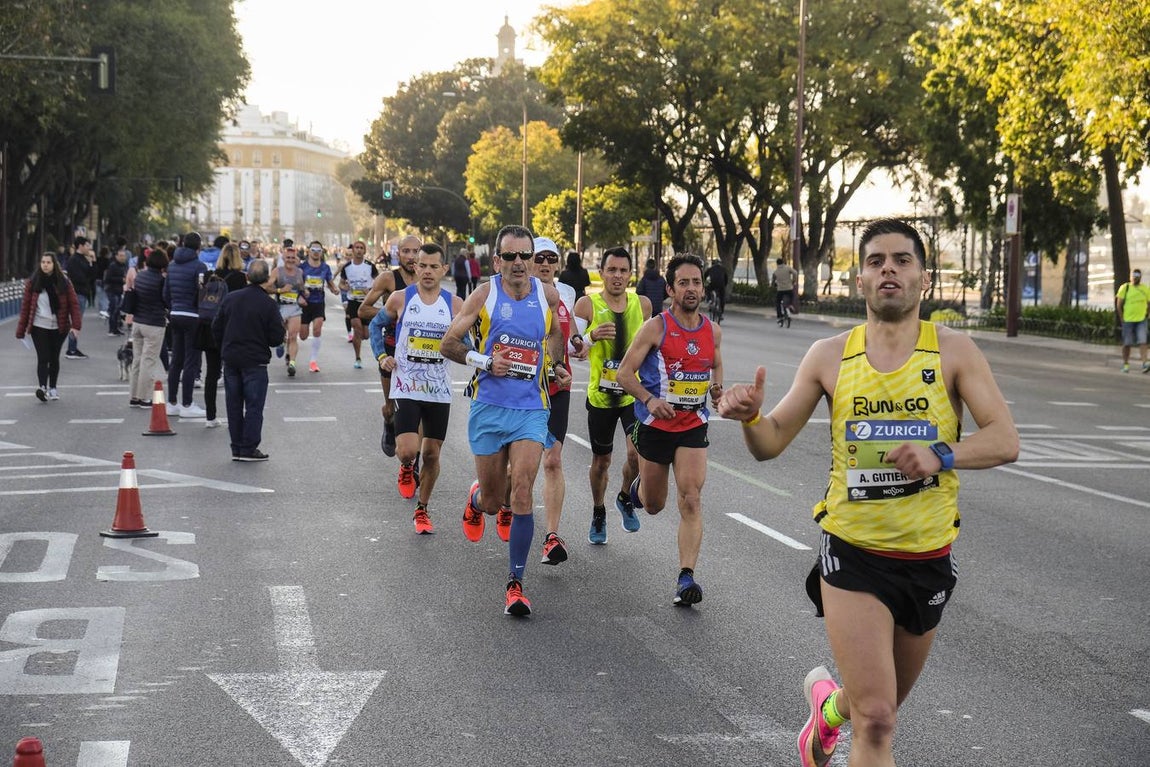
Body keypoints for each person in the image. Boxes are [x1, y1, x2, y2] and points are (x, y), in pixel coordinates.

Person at [717, 218, 1019, 767]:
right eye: (877, 260)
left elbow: (1004, 440)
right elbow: (771, 442)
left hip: (928, 557)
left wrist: (940, 453)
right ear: (859, 279)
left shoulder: (953, 352)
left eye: (902, 260)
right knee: (878, 720)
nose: (889, 270)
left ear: (923, 278)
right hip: (854, 553)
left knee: (870, 710)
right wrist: (752, 416)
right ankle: (844, 714)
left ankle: (827, 713)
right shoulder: (829, 355)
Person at [441, 224, 570, 617]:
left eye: (525, 256)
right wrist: (484, 361)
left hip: (531, 407)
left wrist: (553, 365)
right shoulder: (485, 294)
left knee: (523, 490)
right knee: (496, 501)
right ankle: (477, 498)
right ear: (496, 260)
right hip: (488, 408)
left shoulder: (546, 294)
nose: (519, 263)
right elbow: (449, 343)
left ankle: (515, 584)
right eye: (510, 256)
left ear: (533, 259)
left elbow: (554, 337)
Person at [617, 254, 723, 607]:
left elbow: (716, 363)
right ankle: (635, 490)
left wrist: (718, 388)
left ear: (703, 288)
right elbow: (624, 374)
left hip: (692, 424)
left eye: (696, 282)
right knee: (654, 505)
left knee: (691, 497)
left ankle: (686, 576)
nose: (691, 289)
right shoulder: (656, 328)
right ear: (670, 289)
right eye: (684, 283)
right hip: (655, 424)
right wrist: (648, 400)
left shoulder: (712, 330)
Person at [372, 243, 463, 533]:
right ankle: (406, 465)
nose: (426, 271)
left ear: (443, 270)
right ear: (415, 266)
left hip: (438, 389)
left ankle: (422, 509)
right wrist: (382, 356)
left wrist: (472, 354)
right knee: (408, 451)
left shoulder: (455, 304)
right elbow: (376, 326)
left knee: (433, 455)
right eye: (422, 265)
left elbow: (470, 341)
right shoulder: (400, 298)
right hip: (406, 385)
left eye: (433, 266)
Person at [573, 246, 651, 544]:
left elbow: (651, 347)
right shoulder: (587, 305)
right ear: (602, 272)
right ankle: (598, 510)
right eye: (612, 270)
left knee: (636, 454)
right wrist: (590, 338)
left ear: (631, 274)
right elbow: (571, 348)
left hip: (632, 394)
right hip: (601, 398)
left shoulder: (642, 305)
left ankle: (623, 496)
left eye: (623, 270)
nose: (617, 276)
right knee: (601, 462)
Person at [527, 236, 584, 564]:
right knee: (521, 467)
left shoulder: (565, 293)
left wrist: (579, 341)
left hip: (558, 386)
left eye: (551, 259)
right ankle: (483, 496)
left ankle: (551, 536)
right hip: (523, 390)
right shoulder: (516, 291)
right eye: (540, 258)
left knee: (552, 460)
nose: (546, 264)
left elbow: (571, 330)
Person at [212, 259, 286, 462]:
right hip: (255, 361)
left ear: (247, 276)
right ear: (267, 279)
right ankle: (249, 447)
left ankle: (236, 446)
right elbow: (276, 338)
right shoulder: (268, 304)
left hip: (231, 358)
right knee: (254, 406)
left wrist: (224, 347)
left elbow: (216, 327)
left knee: (233, 404)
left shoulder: (231, 298)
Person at [358, 235, 421, 457]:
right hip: (391, 350)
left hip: (419, 353)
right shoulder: (388, 279)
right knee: (391, 404)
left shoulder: (428, 278)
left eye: (416, 252)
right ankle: (388, 420)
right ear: (398, 253)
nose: (411, 257)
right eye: (406, 251)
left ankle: (412, 462)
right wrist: (394, 315)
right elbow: (363, 310)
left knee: (417, 409)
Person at [15, 252, 82, 401]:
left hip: (59, 326)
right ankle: (42, 387)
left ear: (54, 265)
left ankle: (53, 387)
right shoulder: (33, 282)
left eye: (48, 262)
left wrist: (76, 325)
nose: (45, 265)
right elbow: (26, 307)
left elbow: (74, 304)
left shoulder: (64, 282)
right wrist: (21, 330)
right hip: (39, 326)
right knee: (43, 357)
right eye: (43, 262)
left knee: (54, 357)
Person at [200, 243, 248, 427]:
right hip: (231, 329)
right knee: (234, 373)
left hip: (209, 327)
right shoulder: (240, 278)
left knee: (211, 373)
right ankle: (235, 417)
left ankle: (210, 417)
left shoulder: (210, 275)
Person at [164, 231, 209, 418]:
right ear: (198, 248)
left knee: (176, 360)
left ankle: (172, 402)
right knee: (191, 360)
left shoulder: (172, 265)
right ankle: (187, 404)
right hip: (192, 316)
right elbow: (203, 292)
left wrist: (173, 306)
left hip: (175, 314)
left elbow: (165, 293)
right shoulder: (200, 266)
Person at [127, 248, 169, 408]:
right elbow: (165, 301)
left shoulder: (140, 276)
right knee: (148, 360)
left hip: (138, 322)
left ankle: (134, 396)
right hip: (154, 324)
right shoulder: (161, 280)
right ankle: (145, 397)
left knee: (137, 360)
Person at [297, 241, 339, 373]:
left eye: (318, 250)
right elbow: (296, 284)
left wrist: (335, 289)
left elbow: (330, 282)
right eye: (313, 249)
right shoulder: (302, 267)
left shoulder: (325, 267)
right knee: (303, 336)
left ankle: (313, 361)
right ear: (308, 251)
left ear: (322, 252)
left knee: (317, 328)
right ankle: (289, 348)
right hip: (305, 304)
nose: (316, 252)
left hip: (318, 302)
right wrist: (301, 294)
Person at [335, 241, 378, 369]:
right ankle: (358, 358)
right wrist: (345, 287)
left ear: (364, 251)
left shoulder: (370, 266)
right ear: (353, 251)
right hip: (353, 301)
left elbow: (380, 283)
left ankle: (362, 335)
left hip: (366, 302)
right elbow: (341, 284)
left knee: (366, 334)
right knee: (357, 328)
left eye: (361, 248)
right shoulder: (347, 267)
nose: (359, 250)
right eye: (357, 248)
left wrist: (370, 291)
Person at [267, 246, 307, 376]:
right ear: (283, 258)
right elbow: (267, 288)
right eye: (288, 258)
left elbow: (302, 288)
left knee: (293, 336)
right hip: (280, 308)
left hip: (295, 308)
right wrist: (280, 290)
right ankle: (281, 343)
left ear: (296, 259)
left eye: (292, 258)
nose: (290, 260)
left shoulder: (299, 272)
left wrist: (304, 294)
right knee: (281, 335)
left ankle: (292, 363)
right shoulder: (277, 272)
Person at [64, 237, 94, 359]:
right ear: (80, 246)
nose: (89, 248)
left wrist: (92, 262)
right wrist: (86, 280)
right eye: (87, 245)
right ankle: (71, 350)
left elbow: (93, 275)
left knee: (77, 322)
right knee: (75, 322)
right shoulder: (74, 260)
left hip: (83, 293)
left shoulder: (84, 259)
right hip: (77, 294)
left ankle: (73, 348)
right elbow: (78, 278)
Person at [1115, 268, 1150, 373]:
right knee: (1127, 343)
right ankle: (1126, 364)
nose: (1135, 278)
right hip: (1128, 320)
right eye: (1134, 276)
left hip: (1141, 320)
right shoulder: (1125, 288)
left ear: (1140, 277)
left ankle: (1144, 363)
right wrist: (1122, 318)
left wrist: (1146, 314)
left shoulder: (1145, 289)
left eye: (1137, 276)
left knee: (1143, 341)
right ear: (1131, 277)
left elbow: (1149, 304)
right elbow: (1119, 305)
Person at [103, 246, 129, 336]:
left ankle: (116, 328)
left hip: (119, 290)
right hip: (112, 290)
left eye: (124, 256)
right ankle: (111, 329)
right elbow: (108, 278)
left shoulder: (125, 265)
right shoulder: (113, 265)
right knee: (113, 310)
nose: (122, 257)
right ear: (116, 256)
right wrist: (121, 280)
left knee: (117, 311)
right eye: (120, 256)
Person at [772, 257, 799, 327]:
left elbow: (773, 280)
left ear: (777, 263)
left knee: (778, 302)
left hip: (780, 290)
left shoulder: (776, 271)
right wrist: (794, 281)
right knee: (791, 298)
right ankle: (790, 305)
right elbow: (795, 273)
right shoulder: (788, 268)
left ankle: (779, 317)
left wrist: (773, 285)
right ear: (783, 262)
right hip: (789, 288)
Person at [704, 258, 728, 322]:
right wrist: (724, 286)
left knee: (707, 288)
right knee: (722, 298)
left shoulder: (710, 269)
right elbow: (726, 279)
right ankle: (721, 313)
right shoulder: (723, 269)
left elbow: (705, 276)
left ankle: (709, 299)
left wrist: (704, 282)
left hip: (713, 284)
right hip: (721, 285)